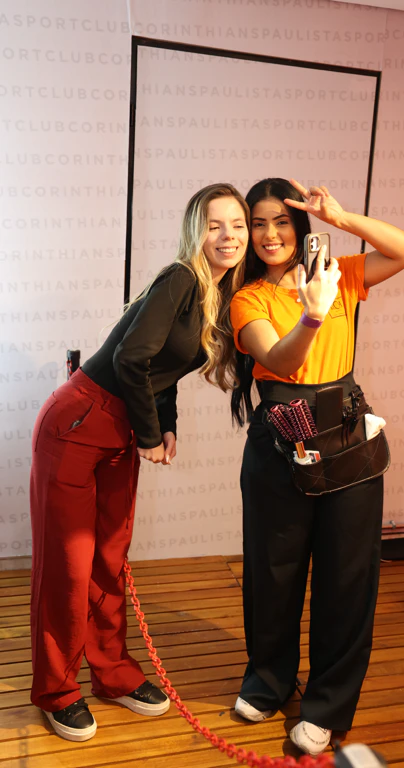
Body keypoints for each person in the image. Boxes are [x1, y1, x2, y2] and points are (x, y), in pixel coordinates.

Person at [30, 183, 249, 742]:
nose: (228, 236)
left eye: (238, 225)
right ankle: (57, 690)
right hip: (78, 423)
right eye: (215, 225)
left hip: (122, 426)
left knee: (109, 558)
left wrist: (165, 424)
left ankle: (113, 674)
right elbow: (131, 358)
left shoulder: (218, 293)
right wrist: (150, 434)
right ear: (196, 231)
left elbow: (161, 369)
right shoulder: (180, 278)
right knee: (69, 566)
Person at [229, 178, 404, 756]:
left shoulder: (340, 276)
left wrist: (340, 217)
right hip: (279, 441)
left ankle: (328, 705)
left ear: (301, 227)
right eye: (257, 224)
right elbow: (281, 359)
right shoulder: (248, 298)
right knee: (273, 571)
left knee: (347, 577)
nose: (269, 235)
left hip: (345, 439)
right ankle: (268, 681)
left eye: (281, 222)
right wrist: (311, 315)